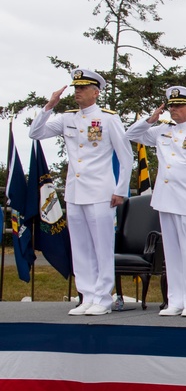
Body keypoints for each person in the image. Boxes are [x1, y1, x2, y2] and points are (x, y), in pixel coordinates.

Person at [28, 69, 134, 316]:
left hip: (101, 192)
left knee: (101, 246)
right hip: (75, 193)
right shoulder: (67, 119)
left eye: (83, 88)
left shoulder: (108, 119)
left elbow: (125, 155)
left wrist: (120, 189)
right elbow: (35, 134)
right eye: (76, 88)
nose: (78, 92)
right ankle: (86, 295)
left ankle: (104, 298)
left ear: (96, 92)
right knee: (80, 247)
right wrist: (48, 106)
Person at [125, 86, 186, 317]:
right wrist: (149, 120)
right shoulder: (162, 130)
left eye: (178, 106)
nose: (174, 110)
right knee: (172, 253)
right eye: (171, 106)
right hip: (165, 199)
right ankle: (174, 301)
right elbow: (131, 135)